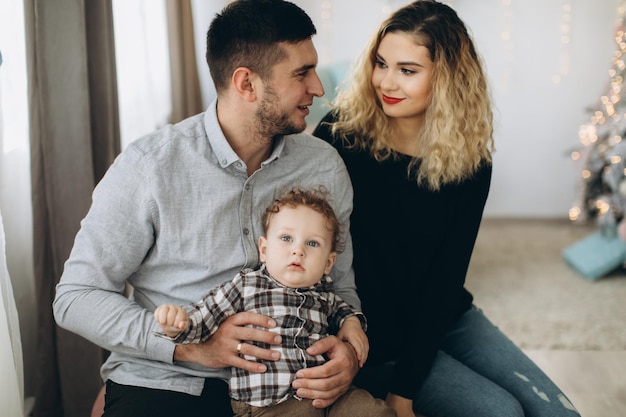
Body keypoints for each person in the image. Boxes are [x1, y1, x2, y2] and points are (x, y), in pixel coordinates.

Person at [53, 1, 363, 416]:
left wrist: (349, 348)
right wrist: (193, 349)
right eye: (301, 73)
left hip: (295, 381)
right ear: (246, 83)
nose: (318, 87)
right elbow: (76, 296)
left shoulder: (322, 165)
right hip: (169, 379)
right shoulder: (150, 166)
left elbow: (340, 286)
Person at [313, 2, 581, 417]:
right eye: (381, 63)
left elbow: (446, 275)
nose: (386, 81)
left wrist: (406, 388)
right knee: (501, 412)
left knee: (558, 412)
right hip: (371, 331)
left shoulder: (471, 161)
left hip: (443, 315)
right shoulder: (339, 135)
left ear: (447, 78)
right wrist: (402, 388)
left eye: (408, 70)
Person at [154, 187, 395, 417]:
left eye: (312, 243)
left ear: (328, 263)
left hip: (325, 393)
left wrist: (352, 322)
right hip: (270, 402)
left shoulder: (324, 294)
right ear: (264, 249)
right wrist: (179, 324)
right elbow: (204, 317)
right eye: (286, 238)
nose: (298, 250)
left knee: (373, 411)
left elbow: (342, 310)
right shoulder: (247, 285)